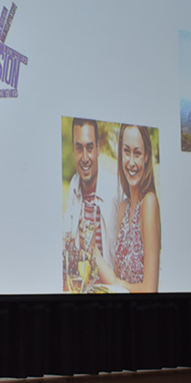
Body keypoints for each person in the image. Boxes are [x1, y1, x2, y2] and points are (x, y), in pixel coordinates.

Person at [93, 124, 160, 292]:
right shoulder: (123, 206)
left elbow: (150, 289)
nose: (131, 162)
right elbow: (115, 278)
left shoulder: (149, 202)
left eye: (137, 153)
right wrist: (92, 248)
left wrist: (120, 284)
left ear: (146, 156)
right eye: (126, 152)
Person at [63, 118, 118, 290]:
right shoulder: (74, 185)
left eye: (90, 148)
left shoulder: (115, 191)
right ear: (74, 150)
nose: (85, 158)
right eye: (79, 149)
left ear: (98, 148)